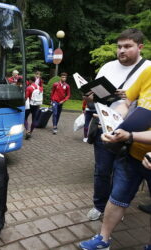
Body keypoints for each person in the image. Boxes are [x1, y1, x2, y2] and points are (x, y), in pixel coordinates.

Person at [79, 65, 151, 250]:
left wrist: (130, 135)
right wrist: (112, 121)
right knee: (117, 197)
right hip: (132, 154)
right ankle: (103, 239)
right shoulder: (148, 73)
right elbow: (127, 102)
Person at [85, 28, 151, 221]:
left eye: (127, 46)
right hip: (106, 127)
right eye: (119, 46)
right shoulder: (107, 67)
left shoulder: (148, 69)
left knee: (124, 172)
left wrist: (130, 95)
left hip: (138, 132)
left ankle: (115, 207)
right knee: (102, 170)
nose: (122, 50)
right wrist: (90, 98)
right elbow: (92, 100)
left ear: (140, 47)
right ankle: (99, 206)